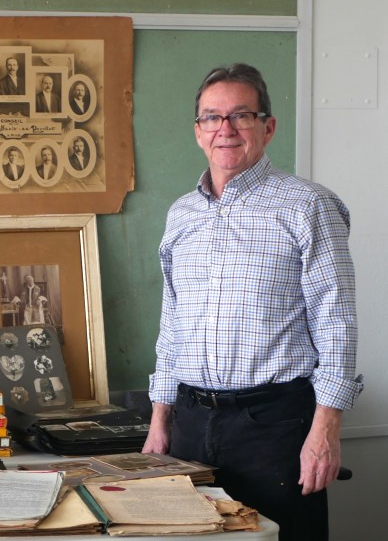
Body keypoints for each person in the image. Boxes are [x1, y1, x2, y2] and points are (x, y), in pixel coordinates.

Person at [142, 63, 363, 541]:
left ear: (268, 126)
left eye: (241, 115)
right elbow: (172, 323)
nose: (225, 129)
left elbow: (337, 324)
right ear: (198, 131)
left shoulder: (308, 205)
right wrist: (161, 420)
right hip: (190, 426)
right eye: (211, 117)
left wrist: (326, 430)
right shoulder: (181, 214)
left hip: (275, 426)